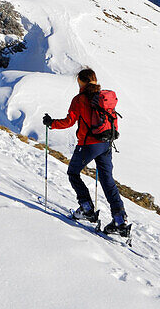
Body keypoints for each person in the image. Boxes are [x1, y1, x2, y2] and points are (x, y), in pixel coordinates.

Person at [43, 67, 129, 235]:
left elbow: (69, 121)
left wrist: (51, 123)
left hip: (88, 144)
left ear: (80, 82)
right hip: (105, 143)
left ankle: (87, 208)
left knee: (73, 173)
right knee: (107, 181)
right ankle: (120, 221)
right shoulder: (103, 97)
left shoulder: (80, 99)